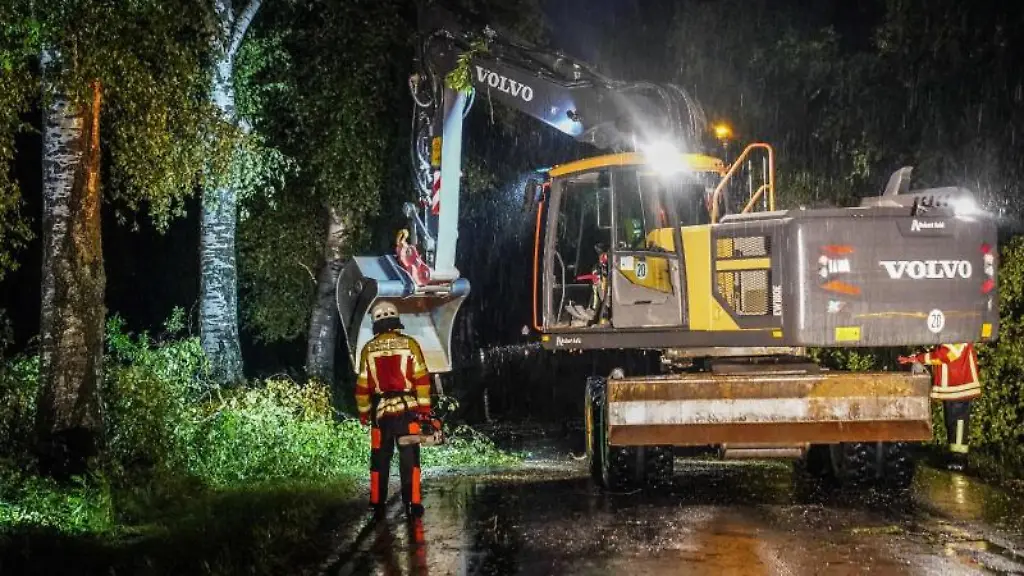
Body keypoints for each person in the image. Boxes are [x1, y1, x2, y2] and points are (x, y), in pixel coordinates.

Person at [356, 301, 433, 518]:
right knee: (410, 458)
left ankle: (377, 504)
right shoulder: (410, 344)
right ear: (396, 319)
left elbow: (363, 387)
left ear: (375, 322)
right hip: (408, 412)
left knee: (379, 460)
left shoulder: (368, 349)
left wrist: (364, 413)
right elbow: (422, 379)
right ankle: (413, 503)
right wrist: (425, 410)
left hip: (381, 415)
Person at [899, 343, 981, 471]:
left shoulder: (958, 333)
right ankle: (955, 456)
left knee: (958, 421)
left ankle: (959, 459)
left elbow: (947, 355)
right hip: (955, 386)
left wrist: (919, 358)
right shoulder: (958, 329)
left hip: (958, 385)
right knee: (952, 421)